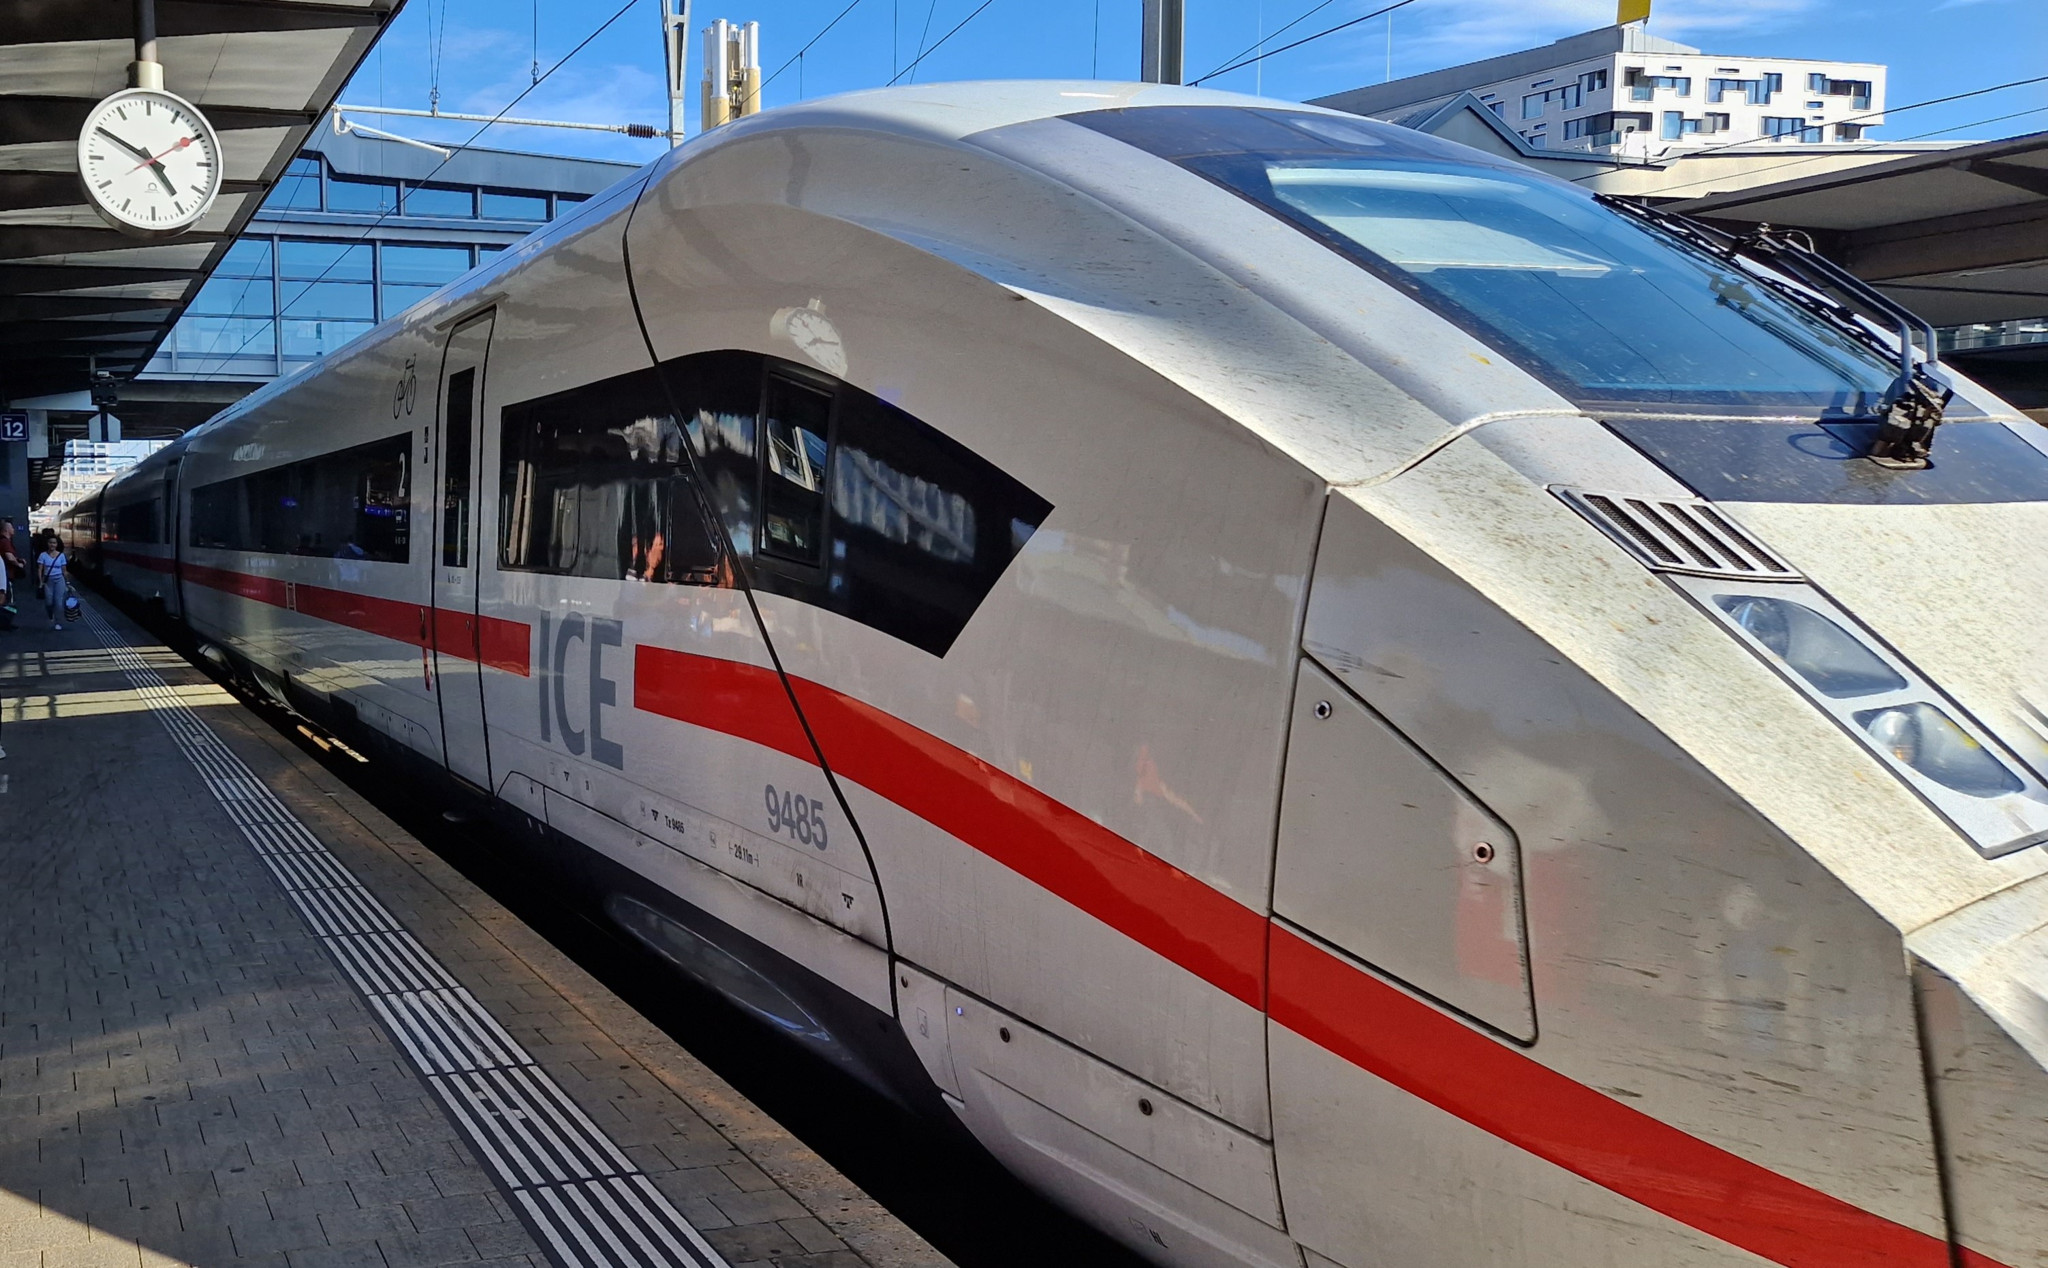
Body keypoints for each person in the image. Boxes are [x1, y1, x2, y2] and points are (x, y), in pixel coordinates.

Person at [37, 532, 68, 631]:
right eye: (50, 543)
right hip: (47, 580)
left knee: (58, 602)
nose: (52, 545)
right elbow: (40, 569)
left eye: (54, 543)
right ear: (47, 544)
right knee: (48, 602)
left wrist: (67, 582)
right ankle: (51, 615)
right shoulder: (43, 555)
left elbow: (64, 570)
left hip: (59, 580)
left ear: (57, 544)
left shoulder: (61, 556)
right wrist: (40, 581)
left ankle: (58, 622)